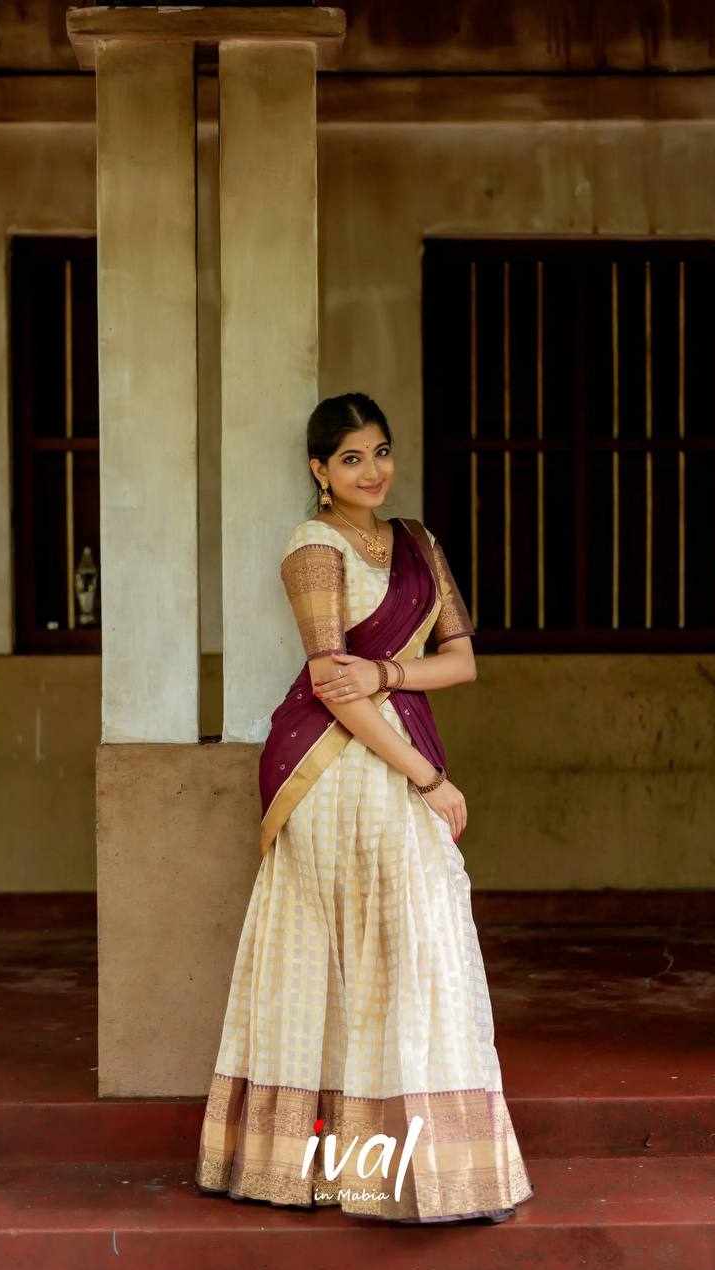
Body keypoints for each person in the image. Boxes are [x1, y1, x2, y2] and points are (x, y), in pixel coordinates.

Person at [195, 392, 535, 1224]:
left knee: (416, 945)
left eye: (379, 451)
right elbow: (329, 682)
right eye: (350, 458)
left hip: (393, 746)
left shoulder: (419, 543)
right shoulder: (312, 547)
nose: (371, 471)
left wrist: (387, 674)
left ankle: (427, 1171)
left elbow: (461, 662)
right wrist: (426, 777)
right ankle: (318, 1169)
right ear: (319, 470)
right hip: (333, 770)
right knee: (332, 958)